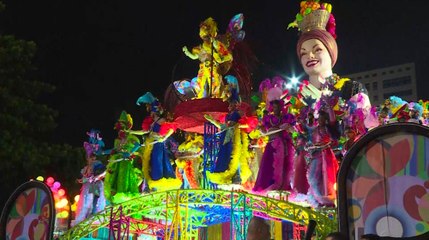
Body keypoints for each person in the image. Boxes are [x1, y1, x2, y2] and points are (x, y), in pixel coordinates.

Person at [134, 92, 182, 192]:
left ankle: (158, 181)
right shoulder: (153, 122)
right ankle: (154, 184)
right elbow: (144, 131)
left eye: (151, 111)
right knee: (151, 162)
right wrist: (131, 131)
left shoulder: (161, 120)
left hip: (158, 143)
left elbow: (171, 129)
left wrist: (164, 138)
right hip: (151, 144)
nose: (150, 113)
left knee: (158, 160)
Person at [204, 93, 252, 187]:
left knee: (235, 153)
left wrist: (236, 126)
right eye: (229, 104)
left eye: (231, 104)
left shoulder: (239, 113)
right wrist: (212, 120)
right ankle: (225, 175)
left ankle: (236, 176)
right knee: (225, 154)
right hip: (226, 136)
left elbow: (248, 125)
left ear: (236, 104)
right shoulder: (227, 116)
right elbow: (223, 127)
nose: (229, 106)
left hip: (235, 136)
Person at [252, 98, 296, 193]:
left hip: (281, 144)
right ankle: (268, 185)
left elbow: (293, 131)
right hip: (271, 144)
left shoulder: (286, 118)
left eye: (278, 107)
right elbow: (265, 132)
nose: (276, 109)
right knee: (268, 164)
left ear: (281, 108)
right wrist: (259, 128)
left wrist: (288, 127)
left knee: (281, 165)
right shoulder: (268, 118)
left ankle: (280, 185)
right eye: (274, 107)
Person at [182, 16, 233, 98]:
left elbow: (228, 56)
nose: (205, 37)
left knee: (214, 83)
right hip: (203, 69)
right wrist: (188, 53)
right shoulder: (201, 47)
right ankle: (200, 97)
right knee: (201, 83)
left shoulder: (216, 44)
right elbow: (195, 56)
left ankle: (215, 97)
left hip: (213, 68)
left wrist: (219, 59)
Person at [103, 111, 142, 203]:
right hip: (117, 160)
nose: (121, 130)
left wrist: (129, 153)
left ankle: (123, 192)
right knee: (113, 176)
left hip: (125, 160)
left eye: (123, 127)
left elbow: (137, 145)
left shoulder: (130, 138)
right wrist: (104, 152)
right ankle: (114, 193)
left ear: (127, 127)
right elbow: (115, 149)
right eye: (120, 128)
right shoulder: (118, 140)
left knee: (123, 176)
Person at [305, 109, 339, 207]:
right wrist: (309, 146)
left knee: (321, 179)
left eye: (323, 119)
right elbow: (313, 141)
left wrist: (330, 107)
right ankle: (317, 200)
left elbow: (333, 140)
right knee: (312, 178)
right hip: (316, 154)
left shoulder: (327, 129)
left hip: (325, 155)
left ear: (326, 120)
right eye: (319, 118)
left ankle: (323, 199)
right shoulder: (315, 129)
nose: (320, 120)